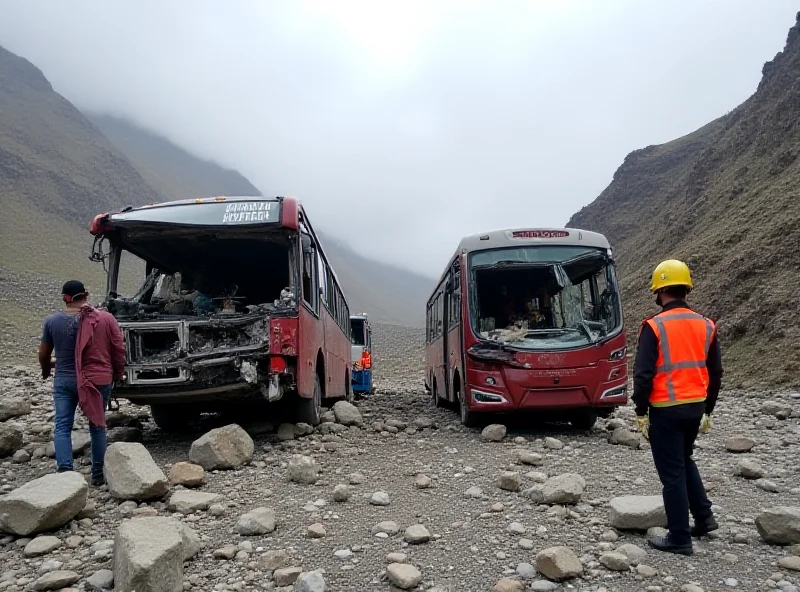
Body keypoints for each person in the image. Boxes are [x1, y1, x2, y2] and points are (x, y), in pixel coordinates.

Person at [633, 260, 723, 555]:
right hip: (695, 407)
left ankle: (680, 538)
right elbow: (716, 371)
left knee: (671, 473)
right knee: (684, 460)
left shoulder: (654, 326)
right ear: (686, 288)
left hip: (666, 409)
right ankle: (705, 517)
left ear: (659, 293)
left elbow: (643, 374)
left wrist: (640, 411)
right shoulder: (706, 325)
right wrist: (708, 409)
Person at [38, 280, 126, 486]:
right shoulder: (106, 318)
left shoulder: (52, 321)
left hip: (65, 380)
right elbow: (118, 350)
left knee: (62, 426)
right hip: (98, 379)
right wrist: (117, 373)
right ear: (86, 294)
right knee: (97, 426)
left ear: (64, 298)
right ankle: (98, 475)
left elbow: (44, 354)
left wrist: (45, 370)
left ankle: (66, 473)